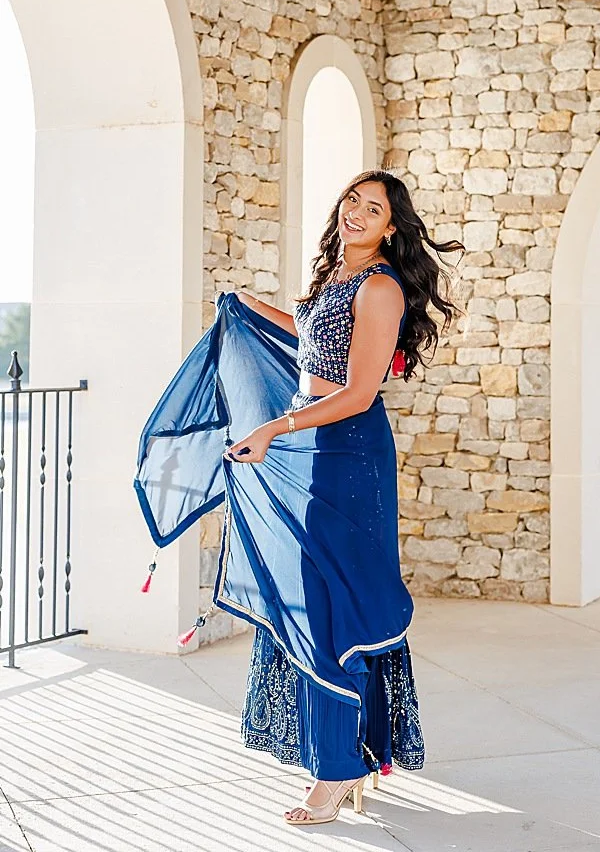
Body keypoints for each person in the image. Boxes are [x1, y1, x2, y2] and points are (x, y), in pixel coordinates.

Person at [225, 170, 461, 824]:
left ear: (391, 225)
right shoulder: (335, 274)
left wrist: (273, 426)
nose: (356, 212)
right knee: (312, 595)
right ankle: (355, 750)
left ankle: (338, 769)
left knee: (336, 604)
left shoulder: (381, 286)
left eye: (373, 207)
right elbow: (312, 345)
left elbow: (358, 392)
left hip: (348, 451)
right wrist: (252, 306)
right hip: (314, 438)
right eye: (352, 200)